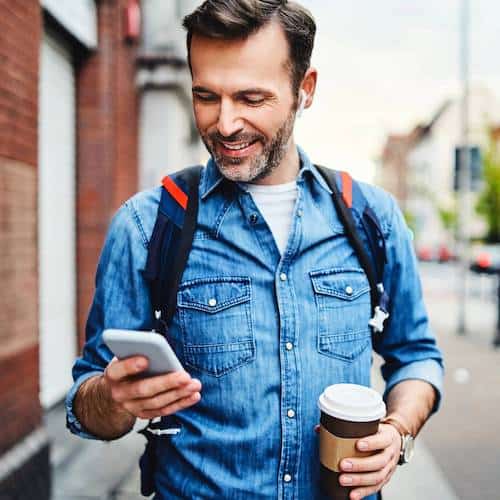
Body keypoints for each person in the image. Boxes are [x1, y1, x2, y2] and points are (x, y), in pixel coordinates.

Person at [66, 1, 444, 499]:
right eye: (206, 96)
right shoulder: (145, 227)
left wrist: (398, 433)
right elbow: (86, 408)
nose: (224, 124)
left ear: (304, 90)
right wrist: (113, 399)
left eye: (250, 97)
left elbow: (417, 357)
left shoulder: (372, 218)